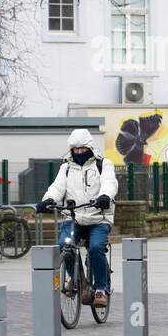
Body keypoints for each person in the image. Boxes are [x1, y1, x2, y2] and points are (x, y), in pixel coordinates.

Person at [37, 129, 119, 306]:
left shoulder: (103, 164)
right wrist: (48, 200)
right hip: (74, 217)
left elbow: (109, 183)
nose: (79, 152)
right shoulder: (66, 168)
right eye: (76, 149)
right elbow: (57, 187)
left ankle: (100, 289)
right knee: (64, 245)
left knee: (96, 247)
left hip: (99, 218)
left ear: (90, 147)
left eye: (83, 148)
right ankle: (74, 278)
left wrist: (105, 197)